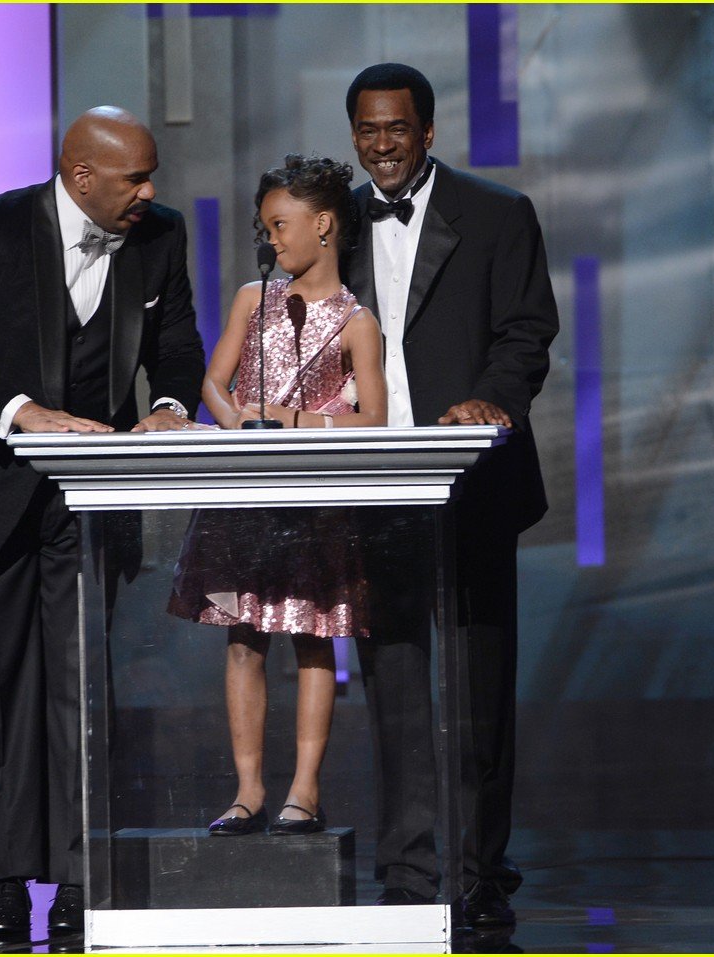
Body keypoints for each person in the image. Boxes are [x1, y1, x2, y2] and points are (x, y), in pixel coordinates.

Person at [0, 106, 205, 939]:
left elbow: (176, 342)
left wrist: (172, 404)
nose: (151, 191)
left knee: (82, 691)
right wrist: (21, 410)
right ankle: (4, 881)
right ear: (81, 178)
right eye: (135, 178)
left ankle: (79, 876)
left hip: (88, 501)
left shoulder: (159, 235)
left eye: (151, 177)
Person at [343, 64, 560, 927]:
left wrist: (490, 403)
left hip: (470, 474)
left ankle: (478, 864)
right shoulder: (333, 223)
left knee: (477, 683)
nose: (382, 144)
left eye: (397, 128)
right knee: (392, 678)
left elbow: (527, 331)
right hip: (370, 483)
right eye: (367, 130)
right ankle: (407, 862)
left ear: (428, 132)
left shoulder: (499, 214)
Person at [167, 154, 387, 837]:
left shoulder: (357, 320)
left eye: (280, 225)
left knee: (314, 637)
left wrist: (292, 421)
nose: (272, 240)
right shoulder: (250, 299)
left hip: (314, 496)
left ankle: (305, 788)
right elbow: (213, 380)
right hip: (246, 490)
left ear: (324, 225)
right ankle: (248, 788)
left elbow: (374, 418)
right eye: (266, 228)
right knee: (243, 639)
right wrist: (236, 422)